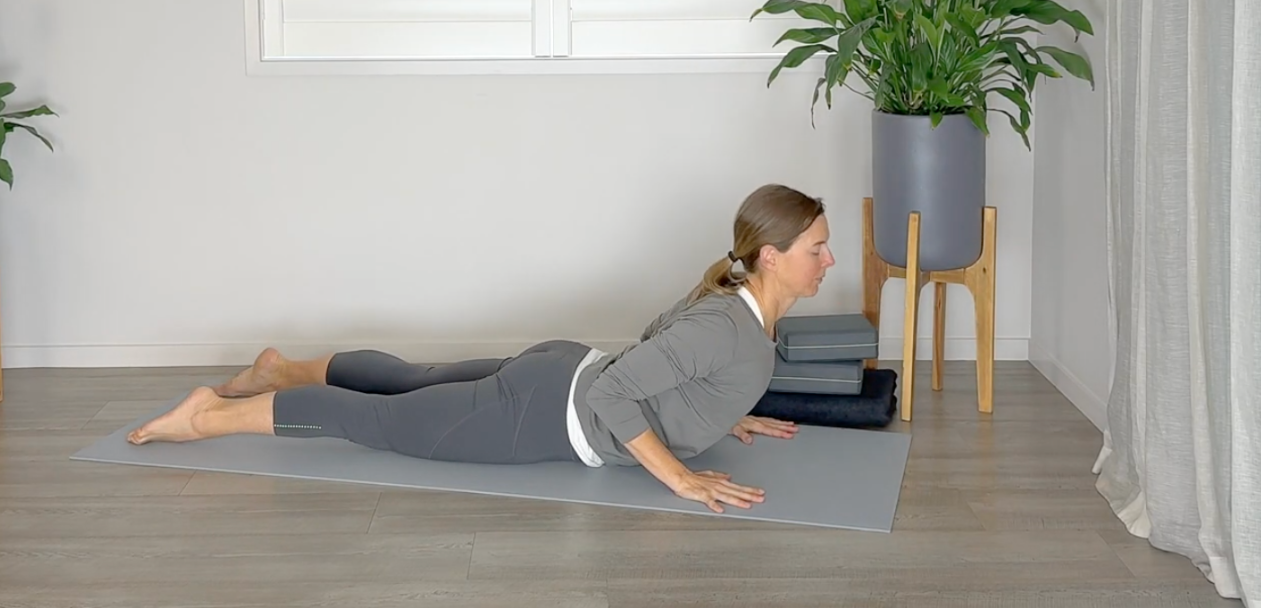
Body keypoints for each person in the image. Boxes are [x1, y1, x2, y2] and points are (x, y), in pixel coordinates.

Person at [127, 183, 835, 513]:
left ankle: (275, 371)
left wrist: (716, 413)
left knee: (410, 379)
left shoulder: (733, 312)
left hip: (558, 365)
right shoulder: (731, 330)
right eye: (818, 247)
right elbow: (614, 394)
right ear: (770, 257)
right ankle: (205, 417)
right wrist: (679, 477)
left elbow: (658, 344)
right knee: (377, 422)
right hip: (549, 410)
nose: (828, 260)